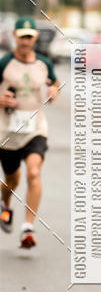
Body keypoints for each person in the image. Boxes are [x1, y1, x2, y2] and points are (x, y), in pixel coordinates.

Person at [0, 18, 59, 248]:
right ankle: (5, 205)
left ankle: (27, 227)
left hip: (35, 129)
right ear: (15, 36)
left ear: (35, 38)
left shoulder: (44, 63)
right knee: (11, 180)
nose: (25, 41)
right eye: (22, 36)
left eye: (29, 37)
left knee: (34, 173)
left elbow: (54, 82)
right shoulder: (5, 63)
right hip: (7, 132)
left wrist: (54, 91)